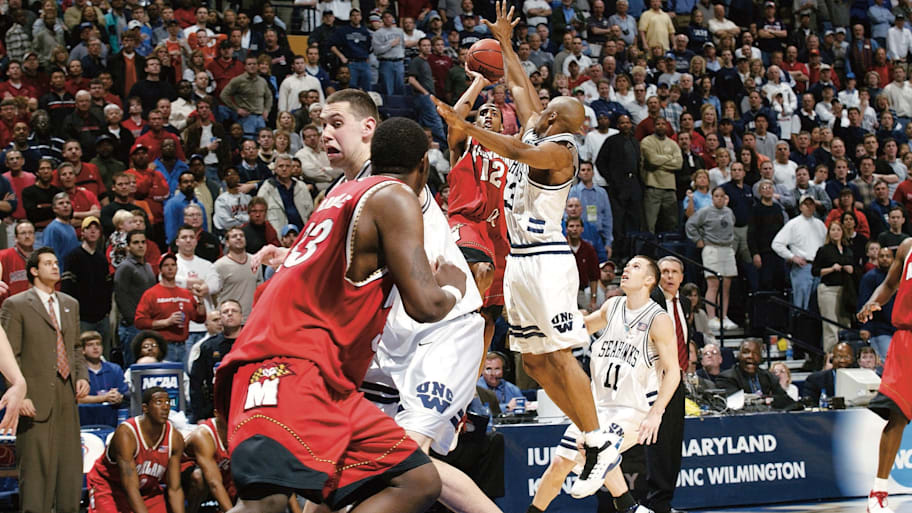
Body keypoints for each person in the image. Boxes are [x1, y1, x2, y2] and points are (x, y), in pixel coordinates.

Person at [213, 116, 465, 513]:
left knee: (417, 480)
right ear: (423, 165)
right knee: (265, 505)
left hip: (325, 380)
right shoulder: (396, 195)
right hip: (290, 366)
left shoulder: (341, 195)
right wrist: (454, 287)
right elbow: (425, 305)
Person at [432, 3, 622, 497]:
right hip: (518, 260)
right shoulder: (541, 123)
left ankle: (598, 441)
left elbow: (516, 150)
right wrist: (506, 43)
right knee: (534, 363)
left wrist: (463, 124)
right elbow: (519, 86)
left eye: (550, 107)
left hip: (547, 262)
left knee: (558, 355)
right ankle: (591, 434)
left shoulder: (561, 150)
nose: (539, 108)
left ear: (559, 118)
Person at [528, 255, 679, 513]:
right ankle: (630, 507)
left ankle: (623, 500)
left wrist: (657, 412)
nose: (626, 269)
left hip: (633, 408)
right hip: (597, 405)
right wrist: (549, 319)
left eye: (635, 266)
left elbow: (673, 371)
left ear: (649, 280)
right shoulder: (613, 306)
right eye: (627, 265)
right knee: (559, 465)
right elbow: (582, 328)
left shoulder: (658, 319)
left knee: (596, 449)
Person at [0, 246, 88, 513]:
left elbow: (75, 347)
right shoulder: (15, 304)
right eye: (48, 263)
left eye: (56, 262)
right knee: (36, 472)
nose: (55, 266)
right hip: (34, 396)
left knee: (70, 468)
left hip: (66, 394)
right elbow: (9, 354)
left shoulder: (70, 304)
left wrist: (82, 376)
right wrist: (20, 394)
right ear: (34, 271)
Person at [858, 236, 912, 512]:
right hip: (907, 339)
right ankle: (878, 493)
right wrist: (872, 301)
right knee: (897, 415)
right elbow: (890, 284)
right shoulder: (907, 247)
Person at [86, 387, 186, 513]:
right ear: (145, 408)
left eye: (167, 402)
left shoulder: (175, 438)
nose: (165, 407)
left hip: (147, 491)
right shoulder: (126, 434)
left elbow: (175, 489)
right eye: (159, 402)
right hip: (110, 487)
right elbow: (130, 488)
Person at [134, 253, 206, 363]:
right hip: (162, 347)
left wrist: (201, 300)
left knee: (185, 374)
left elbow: (200, 318)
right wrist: (166, 322)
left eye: (173, 265)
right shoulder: (151, 294)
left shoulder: (185, 293)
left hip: (184, 346)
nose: (170, 268)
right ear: (160, 270)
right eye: (166, 265)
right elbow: (140, 322)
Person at [685, 186, 737, 329]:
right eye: (716, 196)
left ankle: (724, 316)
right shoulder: (705, 212)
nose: (719, 199)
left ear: (725, 198)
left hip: (727, 249)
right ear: (712, 198)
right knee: (713, 285)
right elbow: (690, 224)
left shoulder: (729, 212)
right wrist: (698, 240)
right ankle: (711, 317)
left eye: (722, 196)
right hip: (712, 249)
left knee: (726, 287)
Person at [189, 299, 242, 423]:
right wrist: (199, 417)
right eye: (225, 312)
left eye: (234, 311)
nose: (230, 314)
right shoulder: (208, 346)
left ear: (241, 316)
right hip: (216, 407)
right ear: (220, 318)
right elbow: (196, 382)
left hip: (247, 403)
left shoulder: (253, 342)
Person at [772, 195, 828, 309]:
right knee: (800, 306)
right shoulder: (793, 224)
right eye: (805, 204)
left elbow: (826, 245)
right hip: (803, 268)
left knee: (816, 305)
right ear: (800, 207)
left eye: (811, 204)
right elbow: (777, 244)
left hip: (819, 268)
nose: (809, 207)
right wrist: (792, 257)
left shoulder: (820, 224)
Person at [113, 229, 156, 365]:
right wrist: (133, 319)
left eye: (143, 242)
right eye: (136, 242)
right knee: (133, 366)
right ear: (128, 246)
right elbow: (120, 296)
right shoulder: (125, 267)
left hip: (148, 323)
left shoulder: (148, 266)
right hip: (132, 326)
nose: (140, 246)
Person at [812, 221, 856, 353]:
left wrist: (851, 269)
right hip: (829, 290)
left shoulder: (848, 250)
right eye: (833, 230)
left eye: (838, 230)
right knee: (830, 325)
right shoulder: (824, 250)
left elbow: (856, 268)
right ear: (829, 233)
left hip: (846, 290)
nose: (836, 232)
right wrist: (831, 269)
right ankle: (830, 355)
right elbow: (815, 271)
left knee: (845, 324)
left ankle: (845, 353)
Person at [182, 412, 236, 513]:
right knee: (199, 477)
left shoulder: (239, 429)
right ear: (217, 413)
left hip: (218, 476)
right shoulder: (202, 435)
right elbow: (214, 483)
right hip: (186, 481)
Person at [716, 339, 795, 406]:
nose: (750, 356)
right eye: (746, 352)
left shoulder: (769, 377)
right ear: (739, 355)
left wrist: (769, 400)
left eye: (756, 353)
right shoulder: (726, 378)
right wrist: (766, 400)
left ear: (760, 357)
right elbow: (736, 405)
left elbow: (787, 402)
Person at [859, 246, 896, 360]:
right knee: (885, 361)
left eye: (888, 256)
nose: (885, 259)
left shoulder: (898, 277)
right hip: (879, 329)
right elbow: (864, 301)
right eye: (882, 256)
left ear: (894, 259)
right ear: (877, 259)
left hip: (897, 328)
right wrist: (865, 327)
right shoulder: (870, 277)